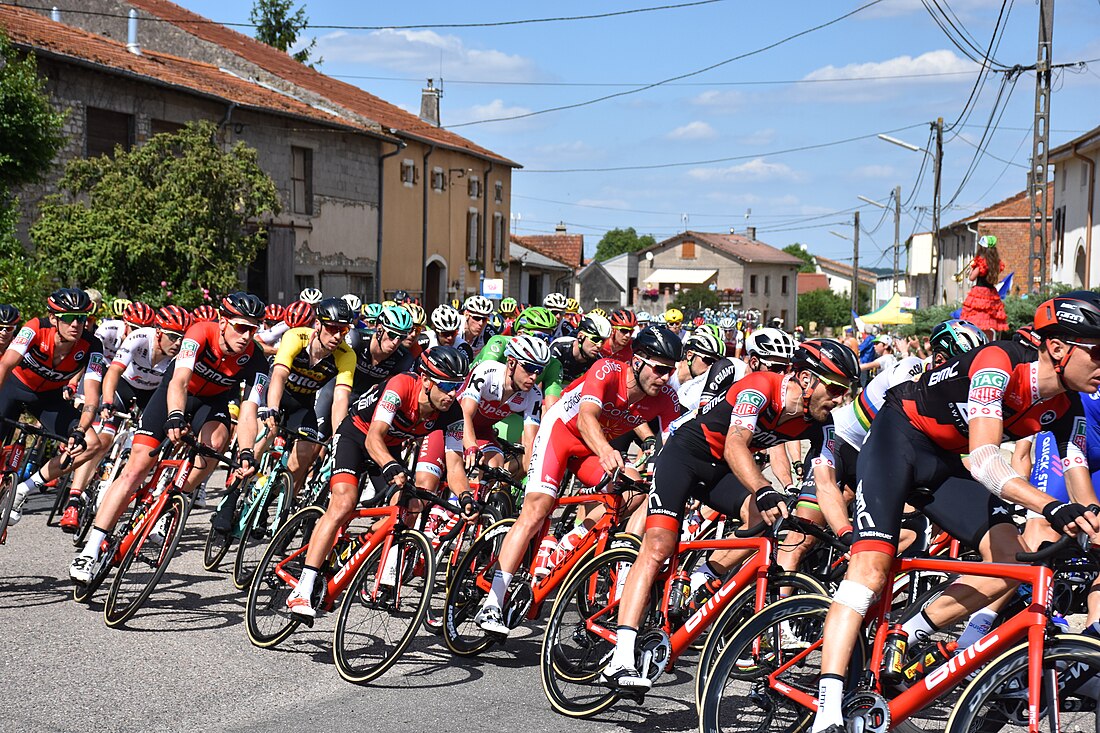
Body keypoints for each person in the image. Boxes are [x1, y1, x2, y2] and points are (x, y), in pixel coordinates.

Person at [809, 292, 1100, 733]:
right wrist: (1051, 506)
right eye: (1098, 352)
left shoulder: (1066, 403)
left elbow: (1078, 472)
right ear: (1058, 348)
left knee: (1011, 562)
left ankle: (910, 629)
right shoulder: (999, 361)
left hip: (943, 461)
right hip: (899, 438)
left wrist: (1093, 525)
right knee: (870, 569)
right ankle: (827, 710)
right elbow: (984, 458)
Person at [602, 339, 859, 690]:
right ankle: (621, 656)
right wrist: (764, 489)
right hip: (684, 456)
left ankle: (703, 576)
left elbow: (827, 485)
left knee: (770, 523)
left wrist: (848, 536)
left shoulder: (820, 424)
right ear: (806, 379)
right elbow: (736, 442)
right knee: (659, 546)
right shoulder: (760, 387)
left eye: (846, 391)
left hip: (720, 471)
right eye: (836, 388)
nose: (840, 399)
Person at [472, 327, 684, 636]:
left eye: (672, 371)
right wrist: (606, 451)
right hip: (561, 433)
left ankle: (572, 538)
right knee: (537, 509)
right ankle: (492, 601)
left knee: (634, 488)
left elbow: (678, 441)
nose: (666, 378)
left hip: (590, 449)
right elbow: (586, 418)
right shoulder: (607, 370)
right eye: (661, 369)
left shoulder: (665, 398)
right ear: (638, 362)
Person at [69, 292, 270, 583]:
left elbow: (250, 411)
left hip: (211, 404)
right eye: (241, 327)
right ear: (223, 322)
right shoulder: (200, 333)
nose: (247, 335)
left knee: (215, 445)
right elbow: (179, 380)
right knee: (135, 469)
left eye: (253, 328)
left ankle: (171, 498)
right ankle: (89, 550)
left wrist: (248, 451)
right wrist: (175, 415)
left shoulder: (256, 361)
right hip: (176, 394)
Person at [284, 346, 470, 619]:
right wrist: (390, 465)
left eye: (458, 386)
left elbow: (454, 465)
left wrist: (466, 497)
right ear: (427, 381)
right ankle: (302, 588)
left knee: (410, 508)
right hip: (357, 436)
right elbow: (373, 437)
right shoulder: (401, 385)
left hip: (388, 446)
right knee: (344, 502)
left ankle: (359, 545)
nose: (453, 394)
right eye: (446, 386)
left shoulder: (451, 412)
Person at [61, 305, 194, 531]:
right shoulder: (140, 337)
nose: (178, 343)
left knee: (147, 451)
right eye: (173, 337)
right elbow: (113, 371)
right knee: (103, 439)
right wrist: (108, 401)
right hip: (126, 385)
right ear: (159, 332)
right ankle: (74, 499)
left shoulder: (182, 353)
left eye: (182, 338)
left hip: (152, 393)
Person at [2, 289, 106, 526]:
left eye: (82, 318)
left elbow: (91, 395)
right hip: (14, 386)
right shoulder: (35, 328)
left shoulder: (93, 346)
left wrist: (80, 430)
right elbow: (6, 364)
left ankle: (23, 490)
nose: (77, 324)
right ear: (54, 318)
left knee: (91, 444)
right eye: (69, 318)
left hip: (48, 397)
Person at [255, 297, 356, 492]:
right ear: (318, 324)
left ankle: (274, 494)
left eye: (343, 330)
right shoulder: (295, 337)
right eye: (332, 328)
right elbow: (279, 375)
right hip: (277, 394)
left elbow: (341, 399)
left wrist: (339, 437)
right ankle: (235, 497)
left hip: (302, 404)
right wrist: (272, 408)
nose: (337, 336)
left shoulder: (346, 355)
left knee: (306, 453)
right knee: (264, 436)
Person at [960, 235, 1007, 339]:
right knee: (988, 324)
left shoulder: (981, 262)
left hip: (979, 293)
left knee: (976, 322)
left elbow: (972, 277)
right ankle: (988, 345)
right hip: (991, 293)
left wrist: (973, 267)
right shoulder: (996, 263)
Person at [550, 313, 612, 383]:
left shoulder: (598, 361)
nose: (599, 345)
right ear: (580, 336)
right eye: (595, 339)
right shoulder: (559, 347)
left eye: (603, 341)